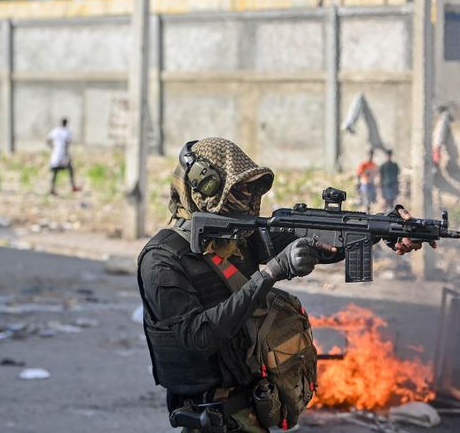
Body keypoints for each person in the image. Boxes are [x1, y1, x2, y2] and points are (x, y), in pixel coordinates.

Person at [137, 138, 425, 432]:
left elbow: (318, 240)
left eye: (251, 191)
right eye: (239, 191)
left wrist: (382, 229)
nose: (248, 201)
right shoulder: (161, 259)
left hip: (253, 408)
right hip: (209, 417)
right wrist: (272, 272)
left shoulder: (237, 237)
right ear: (205, 188)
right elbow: (200, 337)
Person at [46, 118, 79, 195]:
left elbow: (48, 139)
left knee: (55, 171)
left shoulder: (55, 130)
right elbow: (67, 144)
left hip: (55, 154)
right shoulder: (67, 132)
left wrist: (52, 147)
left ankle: (52, 188)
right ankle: (72, 186)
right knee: (69, 168)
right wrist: (68, 155)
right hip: (62, 154)